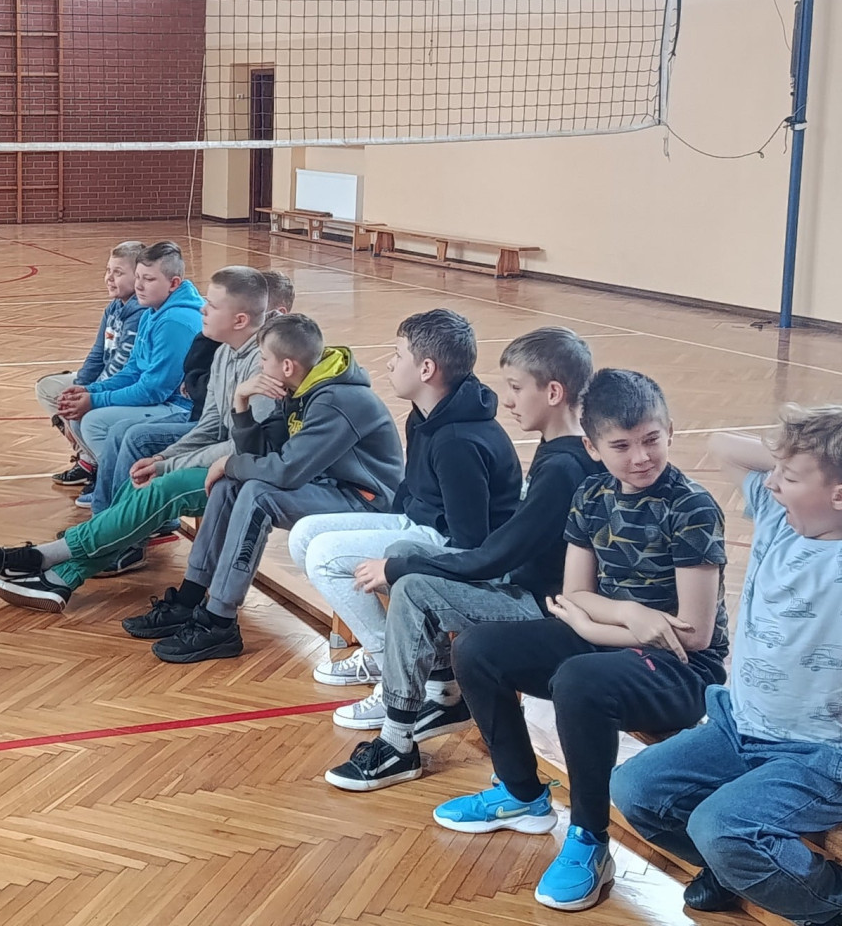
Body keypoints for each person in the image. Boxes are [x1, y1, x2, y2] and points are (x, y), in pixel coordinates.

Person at [432, 369, 729, 913]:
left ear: (670, 431)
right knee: (476, 649)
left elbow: (694, 633)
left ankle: (591, 838)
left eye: (651, 439)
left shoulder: (691, 507)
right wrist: (628, 615)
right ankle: (521, 794)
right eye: (621, 446)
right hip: (616, 641)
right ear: (592, 447)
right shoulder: (592, 493)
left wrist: (593, 625)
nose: (641, 457)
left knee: (578, 679)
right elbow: (576, 594)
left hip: (682, 669)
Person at [323, 326, 601, 791]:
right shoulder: (558, 450)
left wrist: (402, 570)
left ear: (553, 393)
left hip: (543, 608)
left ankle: (396, 743)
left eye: (516, 388)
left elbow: (496, 557)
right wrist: (405, 560)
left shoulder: (565, 468)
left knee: (413, 584)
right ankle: (443, 691)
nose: (507, 401)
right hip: (522, 583)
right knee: (405, 551)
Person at [611, 408, 842, 926]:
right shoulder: (779, 518)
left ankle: (826, 904)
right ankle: (733, 870)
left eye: (790, 477)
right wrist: (800, 455)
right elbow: (721, 443)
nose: (772, 483)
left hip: (819, 753)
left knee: (722, 827)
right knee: (635, 790)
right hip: (740, 723)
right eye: (775, 471)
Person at [0, 266, 274, 609]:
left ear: (240, 320)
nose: (202, 310)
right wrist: (163, 458)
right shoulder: (223, 352)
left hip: (251, 471)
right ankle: (61, 579)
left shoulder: (264, 366)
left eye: (212, 304)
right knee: (139, 482)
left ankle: (44, 557)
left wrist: (169, 466)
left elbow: (242, 446)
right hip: (222, 460)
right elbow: (209, 426)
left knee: (161, 487)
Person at [119, 314, 405, 663]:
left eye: (264, 359)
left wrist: (229, 462)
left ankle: (220, 621)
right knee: (230, 484)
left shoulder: (337, 401)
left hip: (366, 503)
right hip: (328, 488)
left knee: (257, 494)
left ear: (286, 366)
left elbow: (285, 471)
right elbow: (261, 451)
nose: (260, 366)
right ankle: (190, 598)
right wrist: (240, 403)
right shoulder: (300, 389)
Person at [293, 308, 522, 688]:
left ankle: (399, 668)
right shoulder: (425, 414)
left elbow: (468, 541)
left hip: (451, 545)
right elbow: (410, 490)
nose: (390, 363)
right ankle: (399, 655)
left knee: (324, 557)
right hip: (420, 523)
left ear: (426, 369)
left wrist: (397, 563)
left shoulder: (458, 442)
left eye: (398, 355)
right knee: (304, 535)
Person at [56, 241, 204, 514]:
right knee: (80, 415)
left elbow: (154, 390)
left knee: (95, 422)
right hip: (160, 399)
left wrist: (96, 401)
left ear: (174, 283)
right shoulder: (153, 311)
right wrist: (90, 391)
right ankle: (114, 489)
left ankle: (127, 497)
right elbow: (133, 370)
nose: (139, 286)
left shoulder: (175, 322)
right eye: (137, 277)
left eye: (149, 279)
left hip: (180, 408)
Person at [39, 241, 147, 490]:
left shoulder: (140, 314)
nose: (109, 278)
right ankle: (87, 458)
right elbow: (97, 355)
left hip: (122, 385)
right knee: (48, 388)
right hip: (104, 380)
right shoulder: (114, 308)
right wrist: (78, 387)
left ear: (139, 277)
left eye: (118, 273)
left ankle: (105, 471)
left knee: (81, 410)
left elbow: (122, 367)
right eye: (108, 270)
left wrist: (88, 393)